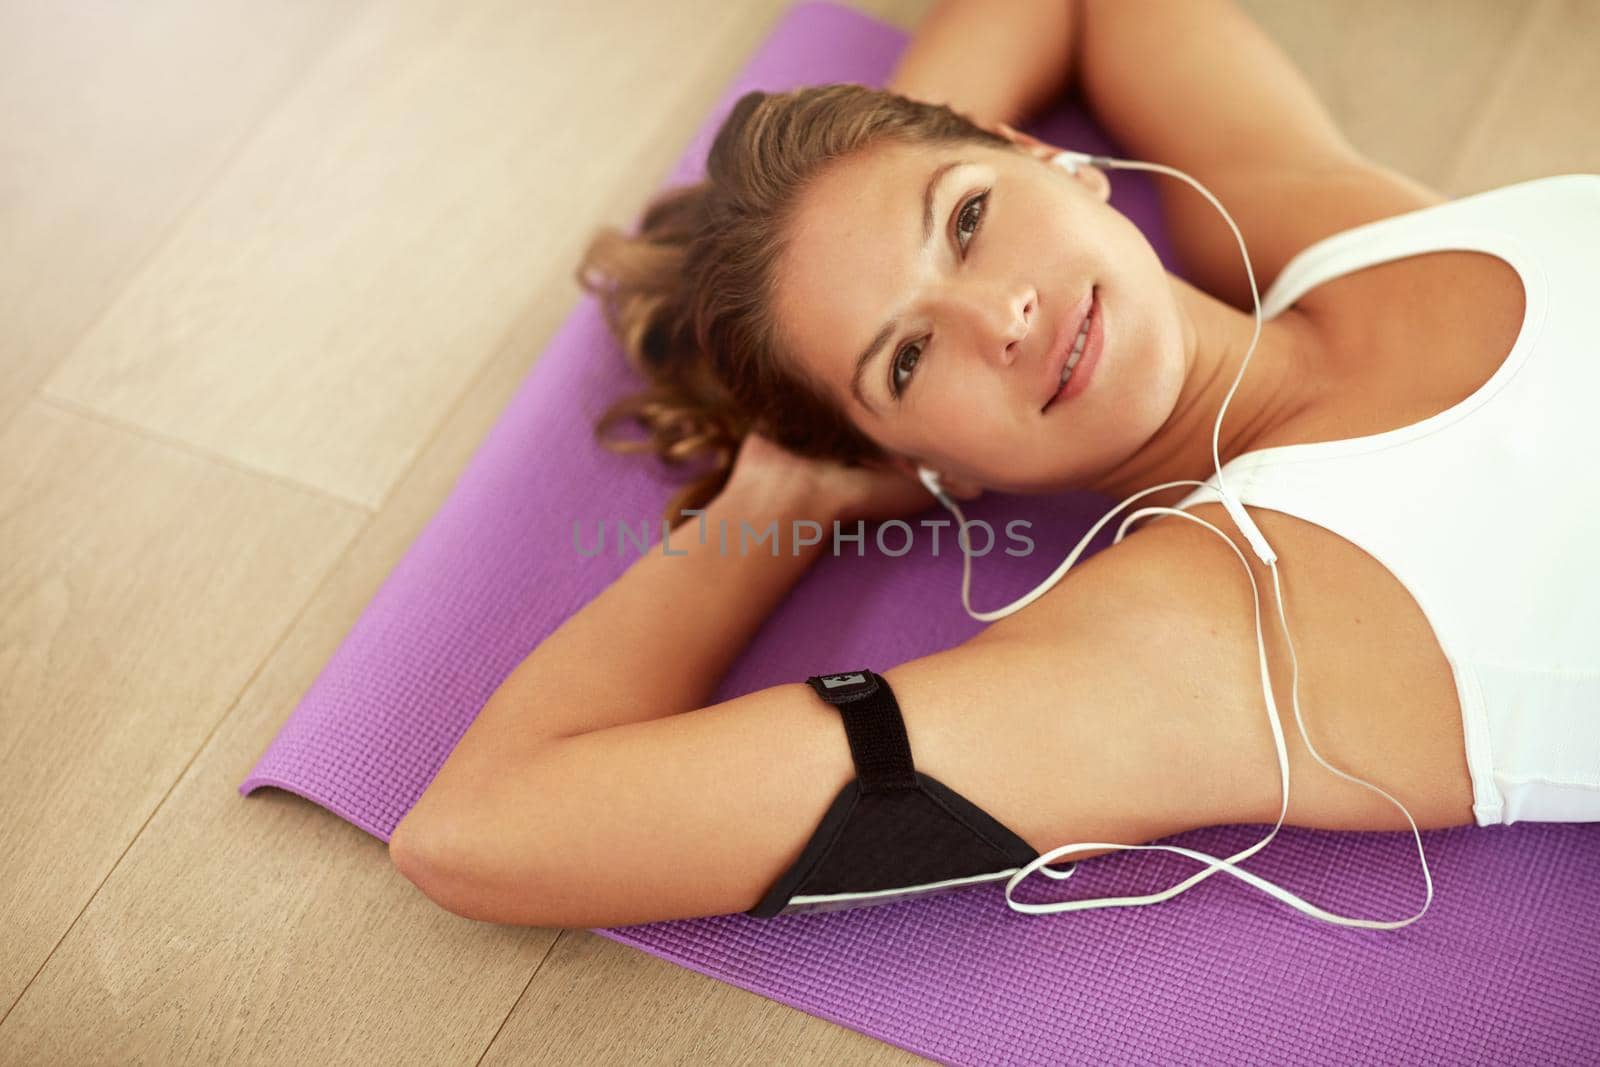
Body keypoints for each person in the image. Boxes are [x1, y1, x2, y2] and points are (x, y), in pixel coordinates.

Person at [389, 0, 1598, 930]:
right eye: (908, 361)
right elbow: (479, 828)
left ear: (1050, 159)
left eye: (967, 218)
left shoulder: (1348, 231)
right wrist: (781, 492)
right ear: (917, 461)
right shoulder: (1187, 645)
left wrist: (849, 180)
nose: (999, 318)